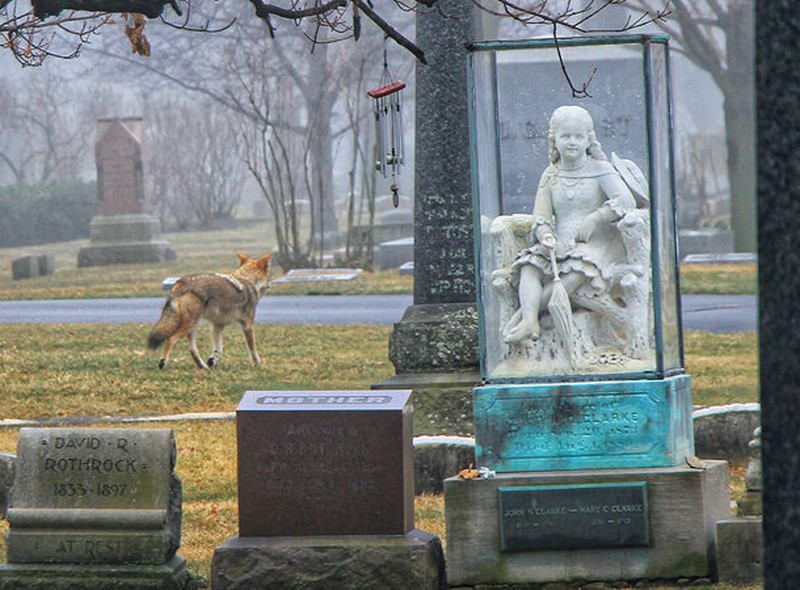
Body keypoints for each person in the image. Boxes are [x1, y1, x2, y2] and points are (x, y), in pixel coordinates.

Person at [501, 105, 640, 344]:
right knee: (529, 267)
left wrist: (596, 217)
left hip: (597, 245)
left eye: (578, 136)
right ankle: (530, 321)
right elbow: (541, 217)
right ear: (554, 140)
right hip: (560, 244)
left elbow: (627, 201)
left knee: (574, 274)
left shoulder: (600, 170)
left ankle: (524, 316)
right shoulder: (551, 175)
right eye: (566, 136)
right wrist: (545, 234)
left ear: (589, 139)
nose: (572, 142)